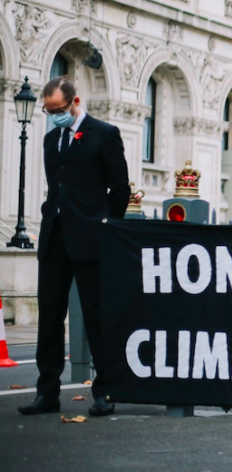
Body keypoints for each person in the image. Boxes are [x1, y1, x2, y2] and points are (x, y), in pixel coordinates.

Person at [18, 76, 130, 417]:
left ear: (75, 102)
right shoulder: (51, 140)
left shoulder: (104, 135)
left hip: (90, 239)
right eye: (49, 111)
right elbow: (57, 186)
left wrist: (104, 225)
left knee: (97, 318)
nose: (55, 117)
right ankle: (47, 393)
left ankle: (105, 392)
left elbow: (120, 188)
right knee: (49, 319)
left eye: (60, 110)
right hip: (54, 237)